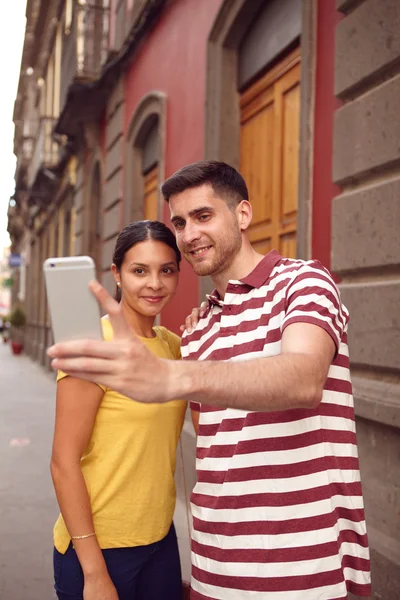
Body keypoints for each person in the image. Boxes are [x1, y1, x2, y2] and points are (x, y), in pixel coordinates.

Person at [48, 161, 371, 600]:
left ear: (242, 214)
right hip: (215, 568)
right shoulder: (197, 331)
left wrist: (171, 374)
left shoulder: (304, 282)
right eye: (179, 222)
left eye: (203, 216)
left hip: (306, 565)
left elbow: (304, 378)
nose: (189, 234)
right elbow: (217, 448)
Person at [50, 220, 186, 600]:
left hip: (160, 539)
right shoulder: (91, 347)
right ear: (117, 274)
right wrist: (94, 572)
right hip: (98, 546)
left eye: (167, 270)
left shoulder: (174, 347)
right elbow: (63, 462)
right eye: (139, 270)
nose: (154, 284)